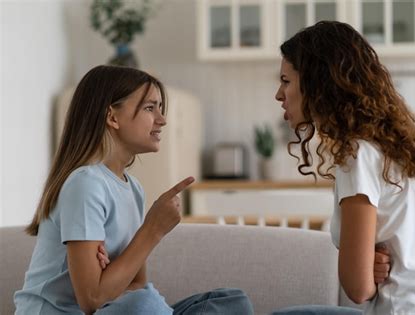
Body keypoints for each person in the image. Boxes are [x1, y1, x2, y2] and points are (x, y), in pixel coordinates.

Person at [14, 65, 254, 315]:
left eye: (160, 108)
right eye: (150, 108)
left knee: (234, 302)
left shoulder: (134, 189)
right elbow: (92, 299)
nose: (162, 120)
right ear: (112, 117)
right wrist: (153, 228)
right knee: (145, 304)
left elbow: (135, 284)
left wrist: (111, 275)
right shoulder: (85, 184)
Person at [273, 21, 415, 314]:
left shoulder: (357, 154)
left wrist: (365, 270)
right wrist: (368, 264)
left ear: (317, 83)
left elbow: (358, 288)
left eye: (286, 81)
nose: (279, 94)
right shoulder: (390, 146)